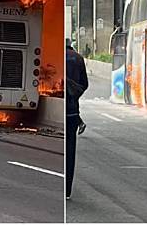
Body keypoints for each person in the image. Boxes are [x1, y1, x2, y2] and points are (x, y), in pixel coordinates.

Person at [65, 38, 88, 199]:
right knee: (70, 152)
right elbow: (84, 84)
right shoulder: (78, 58)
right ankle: (67, 190)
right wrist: (74, 96)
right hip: (72, 113)